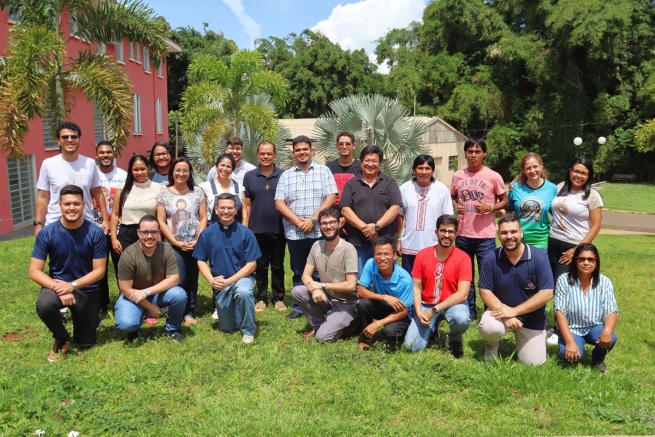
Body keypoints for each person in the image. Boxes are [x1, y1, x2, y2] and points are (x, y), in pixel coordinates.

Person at [29, 185, 107, 361]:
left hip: (85, 291)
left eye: (76, 204)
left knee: (85, 342)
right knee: (45, 304)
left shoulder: (95, 233)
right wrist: (59, 288)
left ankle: (82, 328)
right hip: (56, 287)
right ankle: (61, 338)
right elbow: (34, 271)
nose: (72, 208)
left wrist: (71, 286)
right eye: (67, 204)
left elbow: (100, 271)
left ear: (84, 204)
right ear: (60, 205)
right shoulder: (47, 233)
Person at [275, 135, 338, 320]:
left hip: (319, 230)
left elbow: (331, 197)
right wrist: (299, 222)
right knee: (298, 269)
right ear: (293, 153)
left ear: (312, 150)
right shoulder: (286, 175)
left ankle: (323, 304)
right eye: (298, 150)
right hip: (295, 232)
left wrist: (312, 220)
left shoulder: (323, 171)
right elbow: (279, 203)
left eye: (305, 149)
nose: (302, 152)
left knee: (321, 269)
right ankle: (299, 305)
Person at [478, 213, 554, 366]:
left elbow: (547, 293)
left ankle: (533, 337)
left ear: (521, 232)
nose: (509, 236)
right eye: (504, 232)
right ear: (498, 234)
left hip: (531, 318)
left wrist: (515, 311)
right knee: (489, 326)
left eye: (513, 232)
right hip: (500, 314)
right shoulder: (491, 258)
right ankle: (491, 344)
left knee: (533, 363)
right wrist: (506, 315)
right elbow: (485, 291)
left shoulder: (538, 258)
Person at [450, 137, 508, 321]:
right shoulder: (458, 176)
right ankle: (470, 310)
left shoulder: (493, 176)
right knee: (466, 276)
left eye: (477, 151)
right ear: (465, 154)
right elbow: (453, 196)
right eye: (470, 151)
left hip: (485, 236)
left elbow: (505, 200)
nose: (473, 155)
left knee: (487, 274)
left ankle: (489, 310)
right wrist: (456, 205)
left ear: (484, 154)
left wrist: (490, 208)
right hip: (463, 234)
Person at [547, 157, 603, 345]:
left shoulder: (592, 196)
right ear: (570, 171)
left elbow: (596, 226)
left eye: (584, 173)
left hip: (573, 247)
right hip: (552, 243)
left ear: (589, 176)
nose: (579, 176)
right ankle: (557, 324)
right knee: (551, 286)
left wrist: (576, 250)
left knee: (564, 286)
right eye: (576, 171)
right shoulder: (560, 187)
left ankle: (561, 329)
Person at [194, 193, 261, 344]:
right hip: (220, 283)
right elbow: (201, 260)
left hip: (241, 279)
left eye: (230, 208)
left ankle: (248, 330)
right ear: (216, 210)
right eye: (222, 208)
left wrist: (229, 281)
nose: (226, 211)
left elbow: (251, 266)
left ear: (236, 210)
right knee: (227, 328)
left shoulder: (246, 233)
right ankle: (235, 312)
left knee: (243, 292)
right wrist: (212, 280)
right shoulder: (207, 234)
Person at [403, 214, 471, 356]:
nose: (446, 235)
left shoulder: (463, 258)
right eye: (443, 231)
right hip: (426, 304)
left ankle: (455, 339)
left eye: (451, 232)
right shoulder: (422, 255)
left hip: (452, 305)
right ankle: (432, 329)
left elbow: (463, 294)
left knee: (461, 318)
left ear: (456, 234)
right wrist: (419, 312)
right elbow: (416, 287)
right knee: (411, 347)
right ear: (436, 232)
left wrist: (433, 310)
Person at [114, 215, 188, 342]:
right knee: (126, 324)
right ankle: (133, 330)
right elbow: (125, 289)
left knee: (179, 294)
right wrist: (150, 307)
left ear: (159, 233)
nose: (149, 236)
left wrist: (147, 292)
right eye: (145, 232)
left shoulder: (166, 249)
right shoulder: (128, 254)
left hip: (157, 293)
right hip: (133, 296)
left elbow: (173, 279)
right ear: (138, 233)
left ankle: (173, 328)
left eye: (153, 232)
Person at [290, 207, 358, 341]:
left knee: (322, 338)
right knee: (297, 291)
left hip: (346, 301)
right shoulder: (317, 245)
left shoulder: (348, 249)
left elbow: (351, 285)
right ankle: (318, 325)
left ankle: (352, 323)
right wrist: (314, 288)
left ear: (339, 224)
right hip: (327, 296)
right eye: (324, 223)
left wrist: (322, 286)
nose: (328, 226)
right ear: (320, 226)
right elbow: (305, 276)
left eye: (332, 222)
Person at [34, 121, 109, 236]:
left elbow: (98, 192)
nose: (69, 140)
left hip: (85, 223)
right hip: (55, 224)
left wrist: (105, 219)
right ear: (58, 140)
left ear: (79, 140)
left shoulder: (89, 163)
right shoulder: (48, 164)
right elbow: (43, 196)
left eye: (74, 137)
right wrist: (38, 224)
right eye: (65, 137)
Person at [157, 157, 207, 326]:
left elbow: (203, 218)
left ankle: (189, 312)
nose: (181, 173)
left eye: (185, 170)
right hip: (173, 245)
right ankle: (175, 309)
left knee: (193, 278)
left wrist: (197, 240)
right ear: (172, 172)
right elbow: (162, 221)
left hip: (195, 243)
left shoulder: (197, 192)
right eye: (177, 170)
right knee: (178, 279)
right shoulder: (164, 192)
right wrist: (175, 242)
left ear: (190, 173)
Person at [554, 243, 618, 374]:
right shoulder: (563, 280)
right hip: (572, 329)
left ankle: (598, 360)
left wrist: (607, 330)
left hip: (594, 326)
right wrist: (570, 342)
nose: (586, 263)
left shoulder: (604, 282)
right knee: (569, 358)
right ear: (575, 261)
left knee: (611, 336)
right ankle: (573, 347)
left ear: (596, 261)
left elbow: (611, 310)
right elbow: (559, 313)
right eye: (582, 259)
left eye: (590, 259)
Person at [341, 145, 402, 273]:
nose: (370, 164)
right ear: (361, 162)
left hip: (385, 242)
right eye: (367, 160)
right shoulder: (351, 184)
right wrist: (366, 228)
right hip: (358, 243)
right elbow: (345, 209)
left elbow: (395, 208)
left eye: (374, 161)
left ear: (380, 163)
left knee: (386, 279)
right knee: (360, 280)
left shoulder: (389, 182)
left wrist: (376, 226)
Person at [243, 141, 287, 314]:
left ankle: (278, 298)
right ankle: (261, 298)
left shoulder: (283, 175)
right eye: (262, 154)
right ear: (257, 155)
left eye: (269, 153)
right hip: (256, 229)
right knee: (260, 266)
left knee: (277, 265)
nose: (266, 156)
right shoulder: (250, 176)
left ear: (274, 155)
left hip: (278, 228)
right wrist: (246, 230)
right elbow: (247, 206)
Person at [397, 155, 453, 273]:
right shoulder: (405, 189)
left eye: (427, 168)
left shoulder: (442, 190)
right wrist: (398, 239)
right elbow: (399, 216)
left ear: (433, 171)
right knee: (410, 282)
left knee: (432, 281)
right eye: (420, 168)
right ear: (414, 170)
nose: (423, 171)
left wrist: (446, 240)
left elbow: (448, 219)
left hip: (433, 244)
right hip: (409, 245)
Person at [356, 236, 413, 350]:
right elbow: (361, 291)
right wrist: (384, 297)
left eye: (386, 254)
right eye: (378, 254)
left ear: (394, 255)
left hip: (401, 313)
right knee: (363, 303)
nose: (382, 258)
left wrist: (377, 324)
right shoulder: (370, 264)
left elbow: (404, 311)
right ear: (374, 254)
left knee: (389, 332)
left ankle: (404, 332)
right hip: (383, 306)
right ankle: (368, 339)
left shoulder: (405, 279)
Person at [110, 155, 161, 269]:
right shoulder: (122, 189)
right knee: (126, 270)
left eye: (142, 169)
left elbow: (160, 218)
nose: (139, 172)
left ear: (148, 168)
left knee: (149, 270)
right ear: (131, 170)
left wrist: (159, 239)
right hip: (126, 234)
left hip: (149, 234)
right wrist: (114, 238)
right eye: (135, 169)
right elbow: (115, 214)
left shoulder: (158, 188)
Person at [94, 141, 127, 312]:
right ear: (96, 155)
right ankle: (102, 304)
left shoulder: (123, 175)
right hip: (96, 228)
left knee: (121, 266)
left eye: (108, 152)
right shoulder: (91, 175)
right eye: (101, 152)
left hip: (119, 229)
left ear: (114, 154)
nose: (105, 155)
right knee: (99, 267)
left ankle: (125, 299)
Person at [506, 152, 558, 250]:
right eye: (528, 168)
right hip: (518, 240)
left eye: (535, 166)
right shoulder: (516, 188)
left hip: (542, 241)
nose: (532, 170)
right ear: (524, 171)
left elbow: (558, 214)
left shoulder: (552, 189)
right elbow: (508, 212)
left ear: (541, 166)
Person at [199, 153, 246, 224]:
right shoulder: (205, 187)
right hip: (213, 231)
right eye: (222, 165)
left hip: (236, 232)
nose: (225, 169)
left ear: (232, 169)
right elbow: (202, 216)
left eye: (228, 166)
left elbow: (244, 215)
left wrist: (243, 233)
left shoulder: (240, 188)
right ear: (216, 167)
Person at [325, 130, 361, 206]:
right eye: (341, 144)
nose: (344, 147)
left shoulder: (361, 167)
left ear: (353, 146)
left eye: (348, 144)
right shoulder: (328, 168)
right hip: (333, 213)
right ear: (337, 146)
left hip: (354, 212)